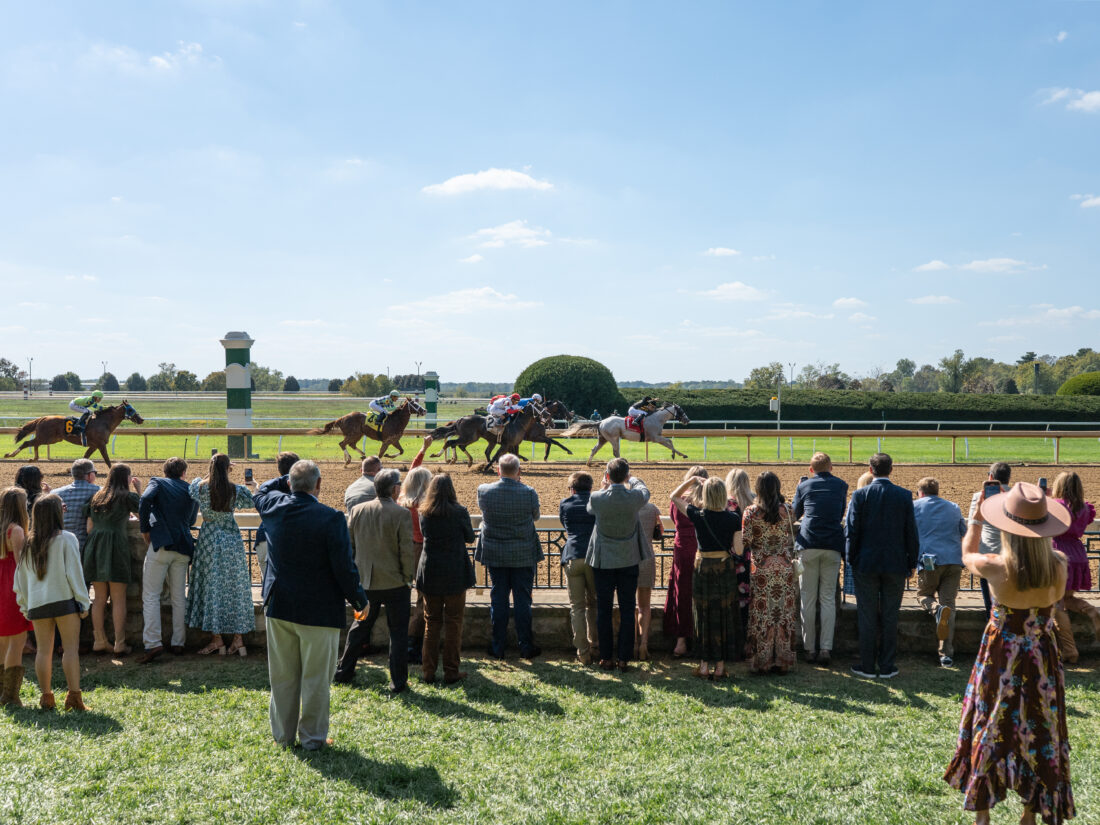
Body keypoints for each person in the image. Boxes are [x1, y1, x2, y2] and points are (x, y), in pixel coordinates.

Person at [944, 482, 1074, 825]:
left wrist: (974, 518)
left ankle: (983, 813)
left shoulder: (995, 566)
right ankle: (1030, 814)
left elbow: (966, 555)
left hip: (1000, 656)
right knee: (1041, 726)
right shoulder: (1059, 565)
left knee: (990, 723)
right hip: (1042, 657)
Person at [253, 460, 368, 750]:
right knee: (316, 679)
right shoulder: (331, 518)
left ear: (289, 484)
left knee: (282, 677)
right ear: (319, 485)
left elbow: (262, 489)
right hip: (319, 610)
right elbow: (344, 568)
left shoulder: (272, 507)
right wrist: (359, 599)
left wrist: (288, 479)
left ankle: (282, 735)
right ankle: (312, 739)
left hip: (280, 606)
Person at [337, 469, 415, 693]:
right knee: (398, 633)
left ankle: (344, 671)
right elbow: (406, 552)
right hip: (395, 583)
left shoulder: (358, 510)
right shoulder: (401, 514)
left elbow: (349, 546)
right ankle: (398, 682)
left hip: (366, 584)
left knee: (359, 627)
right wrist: (407, 578)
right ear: (394, 489)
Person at [12, 495, 91, 711]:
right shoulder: (67, 539)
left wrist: (26, 606)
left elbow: (20, 579)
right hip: (65, 601)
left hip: (38, 604)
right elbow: (75, 573)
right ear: (58, 513)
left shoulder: (27, 544)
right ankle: (74, 697)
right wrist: (83, 602)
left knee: (43, 651)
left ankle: (46, 697)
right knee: (70, 650)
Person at [846, 453, 919, 679]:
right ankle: (887, 665)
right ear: (891, 469)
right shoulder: (904, 496)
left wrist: (851, 560)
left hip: (865, 564)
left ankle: (867, 665)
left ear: (870, 470)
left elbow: (852, 531)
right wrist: (912, 562)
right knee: (890, 615)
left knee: (867, 615)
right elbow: (911, 533)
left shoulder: (860, 495)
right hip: (895, 564)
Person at [672, 475, 742, 679]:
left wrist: (692, 480)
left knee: (702, 613)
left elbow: (674, 496)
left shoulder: (697, 515)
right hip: (724, 568)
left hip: (702, 567)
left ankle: (703, 665)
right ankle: (720, 666)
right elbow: (738, 548)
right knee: (723, 614)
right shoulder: (734, 518)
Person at [187, 453, 257, 657]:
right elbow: (253, 501)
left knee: (211, 587)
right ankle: (238, 639)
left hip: (209, 541)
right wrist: (253, 483)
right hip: (231, 541)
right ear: (229, 468)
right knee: (235, 587)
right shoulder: (235, 490)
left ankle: (217, 640)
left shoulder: (200, 488)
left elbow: (193, 485)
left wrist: (215, 468)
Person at [474, 453, 543, 660]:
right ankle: (525, 646)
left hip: (495, 554)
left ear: (498, 470)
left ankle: (498, 646)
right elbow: (536, 517)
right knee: (523, 601)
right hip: (522, 553)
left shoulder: (484, 491)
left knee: (498, 600)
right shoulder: (529, 492)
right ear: (519, 472)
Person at [586, 458, 652, 672]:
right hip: (628, 559)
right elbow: (645, 490)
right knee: (626, 609)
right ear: (625, 476)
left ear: (607, 476)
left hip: (604, 561)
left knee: (603, 610)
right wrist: (632, 479)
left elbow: (590, 508)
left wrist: (604, 486)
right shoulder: (633, 497)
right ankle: (623, 658)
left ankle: (606, 658)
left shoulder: (597, 497)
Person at [137, 457, 199, 662]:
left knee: (151, 595)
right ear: (183, 473)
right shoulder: (190, 489)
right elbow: (190, 520)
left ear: (165, 471)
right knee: (178, 596)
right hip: (183, 546)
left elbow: (145, 499)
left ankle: (153, 643)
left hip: (162, 544)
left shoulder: (157, 482)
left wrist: (145, 529)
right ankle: (178, 642)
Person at [416, 474, 476, 684]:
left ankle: (428, 671)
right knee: (453, 623)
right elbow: (470, 537)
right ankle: (451, 671)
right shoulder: (459, 512)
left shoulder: (423, 512)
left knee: (431, 623)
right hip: (454, 572)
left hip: (431, 571)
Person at [791, 453, 848, 666]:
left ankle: (808, 648)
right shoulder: (841, 485)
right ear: (831, 467)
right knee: (826, 599)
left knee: (807, 598)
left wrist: (800, 487)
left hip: (808, 543)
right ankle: (825, 648)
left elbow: (795, 514)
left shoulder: (805, 486)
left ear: (811, 469)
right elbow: (840, 511)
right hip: (832, 544)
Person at [83, 463, 141, 655]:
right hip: (116, 546)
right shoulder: (126, 497)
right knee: (118, 599)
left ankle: (99, 640)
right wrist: (139, 489)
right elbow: (144, 513)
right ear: (126, 478)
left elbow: (89, 527)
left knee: (99, 598)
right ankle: (119, 643)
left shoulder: (97, 497)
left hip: (96, 546)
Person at [743, 472, 798, 675]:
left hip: (762, 569)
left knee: (762, 615)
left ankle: (762, 660)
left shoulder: (750, 512)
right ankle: (783, 660)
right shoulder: (788, 510)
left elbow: (746, 540)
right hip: (784, 568)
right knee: (783, 614)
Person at [912, 477, 966, 667]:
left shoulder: (915, 506)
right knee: (949, 604)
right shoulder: (953, 507)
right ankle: (946, 654)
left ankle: (936, 609)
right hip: (953, 560)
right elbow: (963, 530)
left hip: (930, 561)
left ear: (920, 492)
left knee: (923, 594)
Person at [1050, 471, 1099, 663]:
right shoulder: (1085, 508)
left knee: (1056, 604)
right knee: (1066, 598)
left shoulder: (1056, 506)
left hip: (1059, 554)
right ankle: (1092, 611)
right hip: (1078, 554)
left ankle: (1070, 650)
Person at [664, 466, 708, 657]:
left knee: (682, 592)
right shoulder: (709, 501)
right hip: (704, 549)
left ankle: (681, 641)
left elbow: (674, 519)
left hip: (682, 549)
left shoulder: (679, 501)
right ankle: (702, 638)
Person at [398, 437, 433, 665]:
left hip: (402, 551)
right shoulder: (427, 504)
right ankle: (413, 645)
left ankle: (402, 642)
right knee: (422, 601)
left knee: (400, 598)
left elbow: (412, 474)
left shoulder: (402, 500)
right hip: (421, 551)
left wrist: (423, 450)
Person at [559, 471, 598, 665]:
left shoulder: (565, 504)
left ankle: (583, 652)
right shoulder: (597, 503)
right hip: (594, 558)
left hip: (572, 556)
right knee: (595, 603)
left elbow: (565, 526)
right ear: (590, 488)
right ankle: (596, 644)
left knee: (577, 607)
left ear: (572, 488)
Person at [0, 488, 33, 706]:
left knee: (3, 639)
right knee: (17, 640)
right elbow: (22, 564)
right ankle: (10, 696)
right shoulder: (17, 530)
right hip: (13, 584)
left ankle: (2, 691)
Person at [967, 462, 1012, 618]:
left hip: (988, 556)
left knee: (991, 606)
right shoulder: (1017, 496)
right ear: (1008, 478)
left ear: (991, 477)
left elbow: (973, 524)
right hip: (1011, 556)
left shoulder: (979, 497)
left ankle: (993, 630)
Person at [254, 452, 299, 581]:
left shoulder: (268, 487)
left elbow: (259, 503)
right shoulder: (304, 486)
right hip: (292, 539)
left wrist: (257, 489)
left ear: (279, 468)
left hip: (265, 536)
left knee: (269, 587)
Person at [725, 468, 755, 634]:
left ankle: (735, 640)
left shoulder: (727, 504)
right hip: (752, 559)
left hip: (731, 559)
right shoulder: (755, 503)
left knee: (732, 601)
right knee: (750, 601)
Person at [635, 496, 662, 662]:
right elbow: (660, 531)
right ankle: (643, 644)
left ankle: (631, 644)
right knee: (645, 606)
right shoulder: (653, 508)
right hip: (647, 558)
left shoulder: (628, 507)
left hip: (628, 558)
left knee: (629, 605)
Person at [54, 459, 100, 553]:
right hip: (88, 548)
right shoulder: (100, 492)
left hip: (60, 546)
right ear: (90, 475)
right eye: (95, 472)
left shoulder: (55, 493)